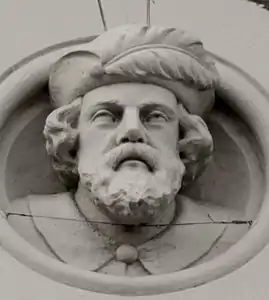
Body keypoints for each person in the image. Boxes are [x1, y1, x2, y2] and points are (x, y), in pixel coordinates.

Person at [8, 24, 248, 276]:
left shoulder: (228, 233)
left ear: (184, 139)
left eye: (155, 116)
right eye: (106, 116)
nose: (132, 131)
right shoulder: (23, 222)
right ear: (71, 141)